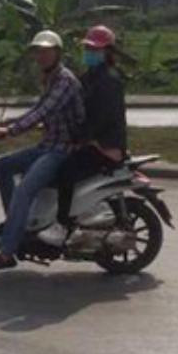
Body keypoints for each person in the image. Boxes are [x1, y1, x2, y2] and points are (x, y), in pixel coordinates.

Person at [0, 29, 85, 271]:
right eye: (38, 51)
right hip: (47, 145)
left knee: (24, 191)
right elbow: (37, 109)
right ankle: (15, 225)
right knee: (3, 166)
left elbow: (43, 112)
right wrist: (6, 123)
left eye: (46, 51)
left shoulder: (65, 81)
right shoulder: (50, 78)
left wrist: (11, 132)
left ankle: (8, 252)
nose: (41, 56)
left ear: (57, 53)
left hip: (62, 150)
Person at [56, 25, 128, 227]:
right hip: (92, 142)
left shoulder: (110, 81)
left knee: (65, 170)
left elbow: (100, 119)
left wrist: (78, 139)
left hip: (106, 147)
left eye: (95, 50)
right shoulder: (89, 77)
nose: (90, 53)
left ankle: (63, 220)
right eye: (88, 49)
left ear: (107, 52)